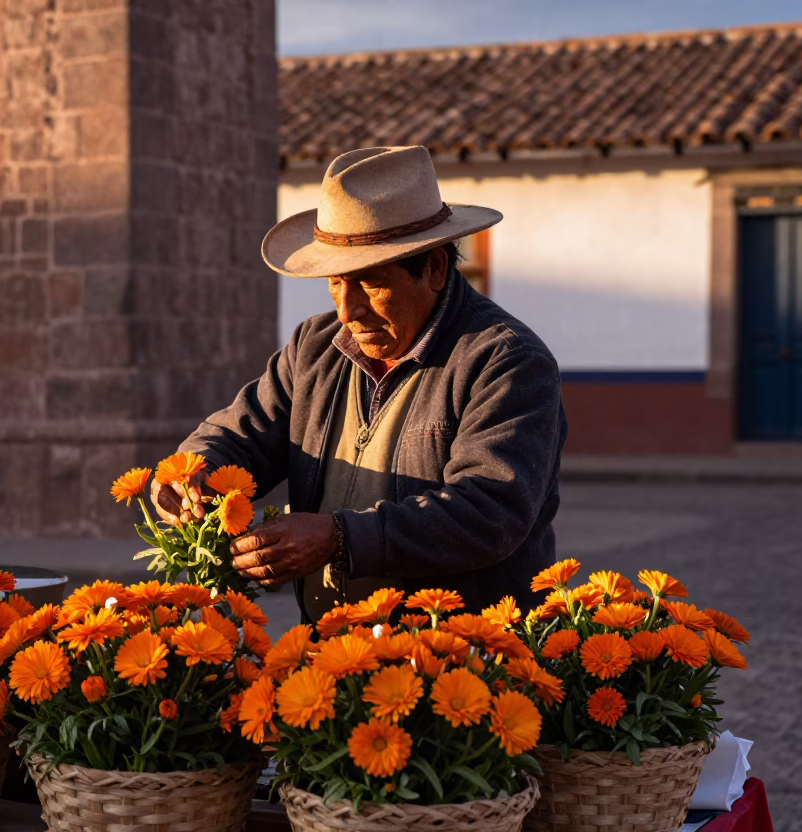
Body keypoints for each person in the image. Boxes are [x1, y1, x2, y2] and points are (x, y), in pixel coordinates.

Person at [151, 145, 567, 619]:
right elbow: (240, 433)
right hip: (334, 651)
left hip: (465, 660)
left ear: (433, 268)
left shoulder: (505, 360)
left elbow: (490, 512)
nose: (347, 312)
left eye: (370, 281)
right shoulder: (316, 346)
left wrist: (339, 538)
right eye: (334, 283)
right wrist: (192, 472)